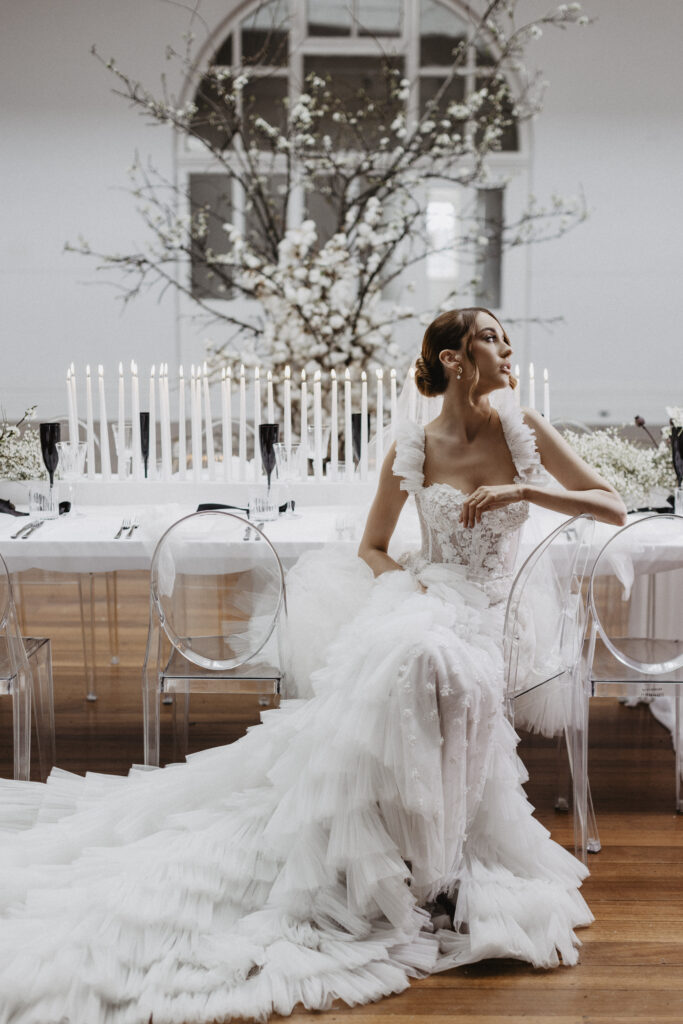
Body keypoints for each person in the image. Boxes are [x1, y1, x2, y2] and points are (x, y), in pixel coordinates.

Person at [0, 308, 626, 1024]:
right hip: (426, 596)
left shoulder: (526, 430)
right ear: (453, 360)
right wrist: (414, 582)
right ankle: (402, 859)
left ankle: (441, 862)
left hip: (489, 616)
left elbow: (609, 504)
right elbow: (374, 547)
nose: (506, 350)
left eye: (506, 339)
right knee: (411, 656)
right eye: (490, 339)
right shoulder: (413, 449)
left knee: (438, 661)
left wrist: (525, 490)